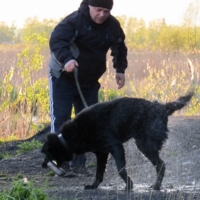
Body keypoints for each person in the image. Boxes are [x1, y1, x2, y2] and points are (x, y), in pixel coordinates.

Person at [48, 0, 128, 176]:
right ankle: (59, 161)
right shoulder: (74, 21)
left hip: (90, 81)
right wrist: (67, 59)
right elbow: (57, 40)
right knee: (62, 120)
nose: (102, 14)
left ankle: (79, 164)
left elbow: (120, 46)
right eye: (98, 10)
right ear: (89, 7)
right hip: (63, 78)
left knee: (87, 122)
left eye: (106, 11)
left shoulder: (113, 25)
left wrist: (120, 69)